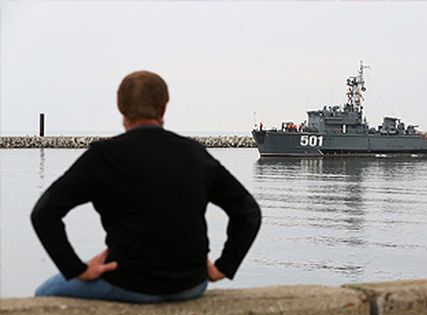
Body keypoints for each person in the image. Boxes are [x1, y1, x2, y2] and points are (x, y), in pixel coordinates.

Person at [31, 71, 261, 303]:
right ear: (164, 107)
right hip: (190, 284)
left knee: (44, 294)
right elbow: (248, 211)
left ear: (120, 106)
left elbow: (44, 213)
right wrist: (224, 266)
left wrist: (77, 269)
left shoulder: (104, 157)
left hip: (127, 282)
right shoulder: (193, 153)